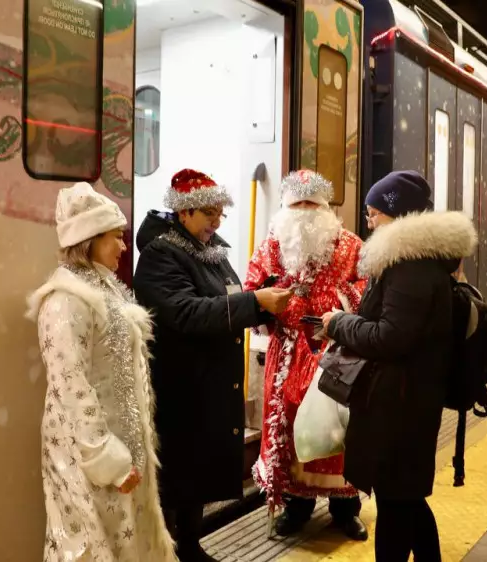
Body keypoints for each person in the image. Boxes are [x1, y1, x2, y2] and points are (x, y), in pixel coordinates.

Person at [133, 169, 292, 562]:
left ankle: (190, 545)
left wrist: (261, 297)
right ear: (183, 212)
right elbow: (184, 311)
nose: (217, 222)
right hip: (181, 384)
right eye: (209, 213)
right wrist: (255, 303)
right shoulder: (160, 254)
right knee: (180, 473)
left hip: (208, 382)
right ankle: (171, 550)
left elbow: (226, 299)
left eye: (221, 213)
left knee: (196, 474)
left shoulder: (209, 250)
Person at [320, 171, 477, 562]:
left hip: (401, 406)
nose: (368, 223)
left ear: (396, 213)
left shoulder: (410, 266)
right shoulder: (416, 262)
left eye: (373, 214)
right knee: (406, 501)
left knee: (395, 505)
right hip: (407, 399)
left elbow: (391, 337)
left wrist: (338, 323)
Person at [25, 183, 176, 562]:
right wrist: (106, 456)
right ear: (89, 239)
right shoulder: (65, 300)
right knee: (91, 546)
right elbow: (70, 385)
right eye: (116, 238)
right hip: (88, 457)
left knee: (125, 541)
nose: (124, 247)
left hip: (121, 450)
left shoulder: (105, 288)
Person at [243, 170, 367, 541]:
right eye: (296, 204)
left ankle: (346, 508)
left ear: (325, 207)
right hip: (287, 353)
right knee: (290, 428)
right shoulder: (271, 246)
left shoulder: (350, 245)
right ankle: (296, 506)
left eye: (311, 204)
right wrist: (266, 303)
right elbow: (252, 286)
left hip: (336, 352)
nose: (304, 212)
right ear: (285, 208)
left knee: (340, 429)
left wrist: (343, 306)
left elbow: (367, 285)